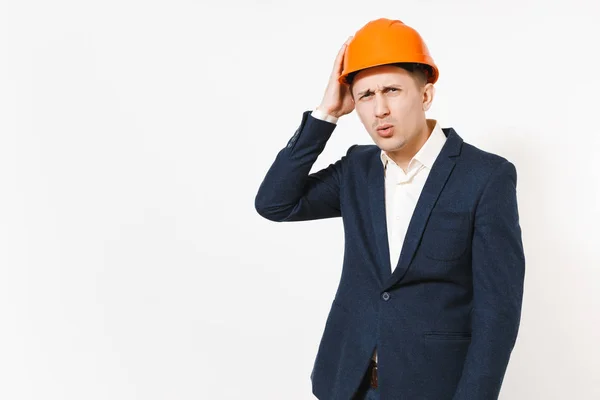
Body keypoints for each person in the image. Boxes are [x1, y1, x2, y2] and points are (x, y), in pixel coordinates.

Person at [254, 18, 525, 400]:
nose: (380, 109)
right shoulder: (357, 169)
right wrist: (325, 113)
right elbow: (275, 203)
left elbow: (498, 311)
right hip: (347, 382)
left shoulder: (485, 176)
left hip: (432, 388)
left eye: (392, 90)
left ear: (426, 95)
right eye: (366, 95)